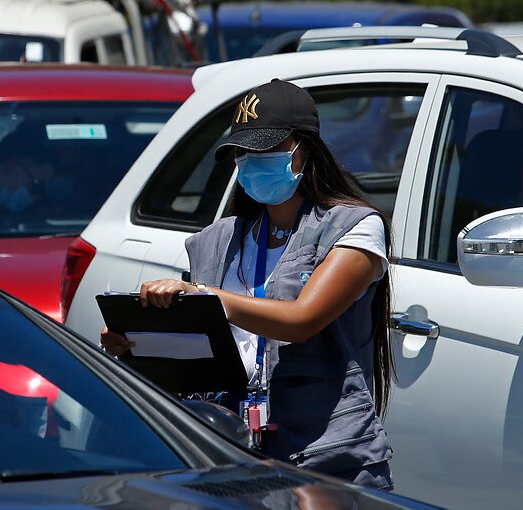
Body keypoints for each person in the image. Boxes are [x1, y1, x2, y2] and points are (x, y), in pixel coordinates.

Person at [100, 78, 394, 490]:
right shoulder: (215, 240)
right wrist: (139, 342)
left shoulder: (355, 227)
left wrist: (204, 298)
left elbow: (300, 320)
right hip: (231, 453)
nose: (251, 160)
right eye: (242, 151)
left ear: (304, 149)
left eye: (266, 148)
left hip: (326, 460)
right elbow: (201, 354)